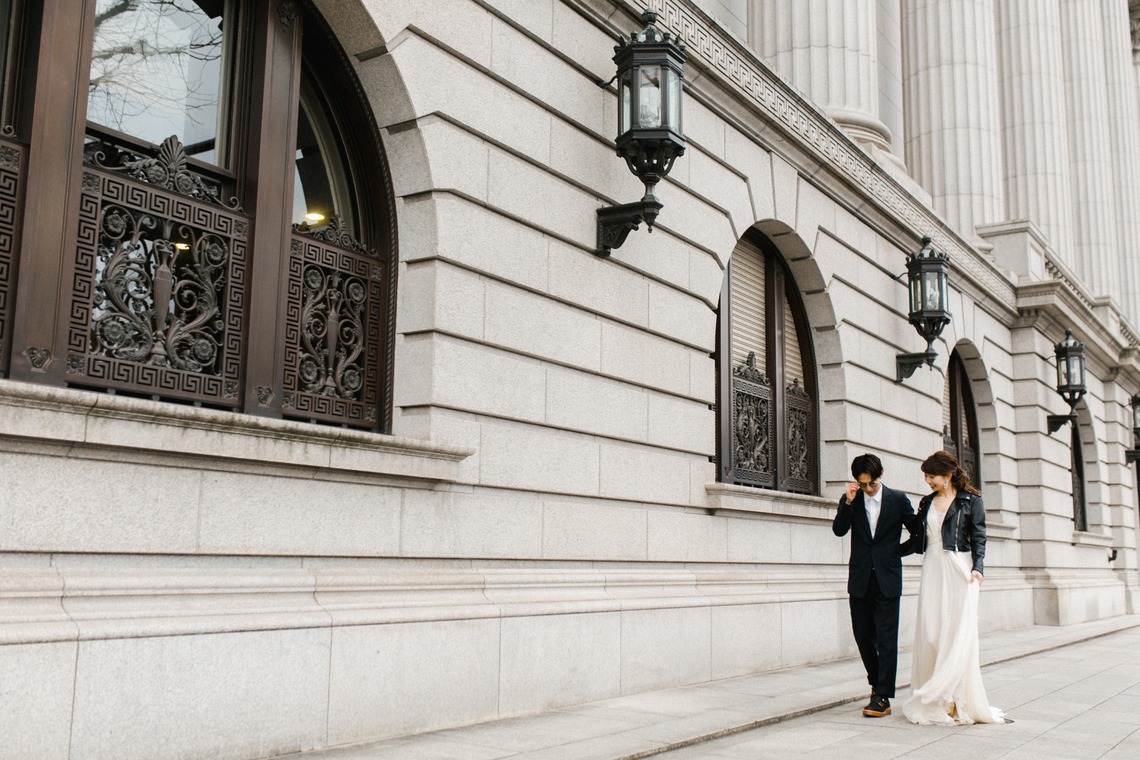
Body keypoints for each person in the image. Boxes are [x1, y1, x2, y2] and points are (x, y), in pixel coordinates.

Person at [901, 450, 1006, 725]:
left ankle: (954, 700)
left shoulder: (971, 501)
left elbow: (979, 536)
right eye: (925, 475)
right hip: (933, 568)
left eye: (931, 475)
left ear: (948, 476)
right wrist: (889, 551)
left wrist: (978, 567)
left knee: (957, 635)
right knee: (932, 632)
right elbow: (916, 538)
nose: (927, 480)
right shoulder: (926, 502)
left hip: (960, 569)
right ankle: (935, 695)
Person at [833, 453, 918, 718]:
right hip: (860, 579)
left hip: (887, 579)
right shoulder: (852, 499)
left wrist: (895, 553)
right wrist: (847, 502)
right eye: (863, 483)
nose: (868, 488)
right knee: (862, 635)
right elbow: (839, 530)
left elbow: (919, 534)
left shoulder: (898, 500)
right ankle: (876, 683)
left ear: (880, 475)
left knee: (887, 639)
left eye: (871, 483)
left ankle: (882, 695)